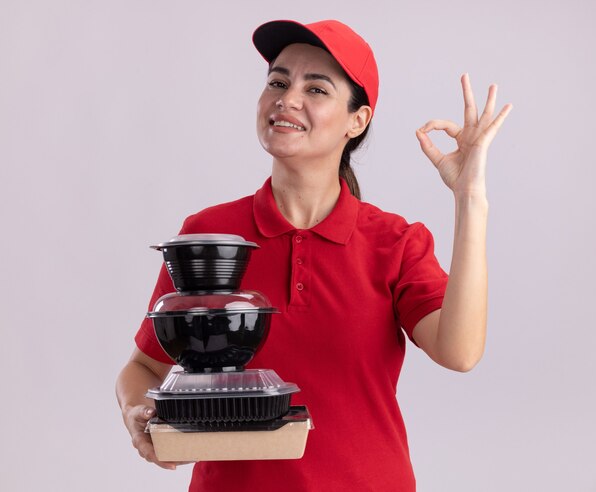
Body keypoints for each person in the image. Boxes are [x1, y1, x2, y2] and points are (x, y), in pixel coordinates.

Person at [116, 19, 512, 492]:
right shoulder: (209, 235)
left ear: (357, 120)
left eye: (316, 88)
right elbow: (143, 367)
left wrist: (470, 200)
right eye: (278, 82)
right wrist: (140, 415)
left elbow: (460, 352)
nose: (287, 98)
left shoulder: (395, 242)